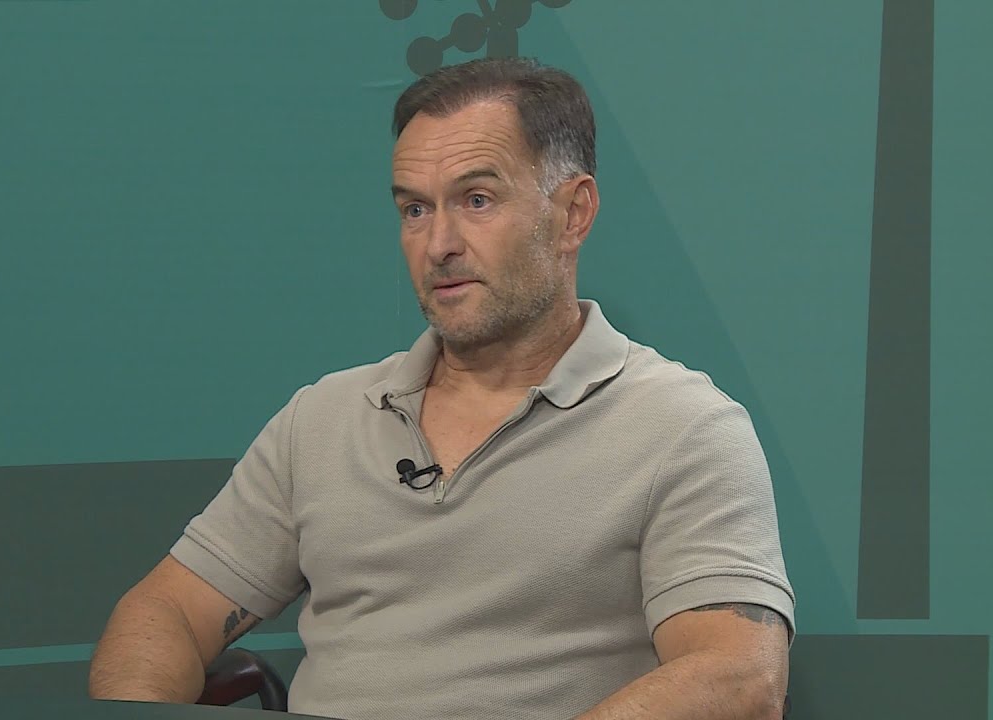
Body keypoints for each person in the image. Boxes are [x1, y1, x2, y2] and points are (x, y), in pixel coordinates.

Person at [89, 57, 794, 720]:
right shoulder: (322, 419)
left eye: (476, 200)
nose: (438, 245)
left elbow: (738, 676)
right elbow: (167, 612)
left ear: (572, 214)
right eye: (415, 210)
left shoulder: (682, 428)